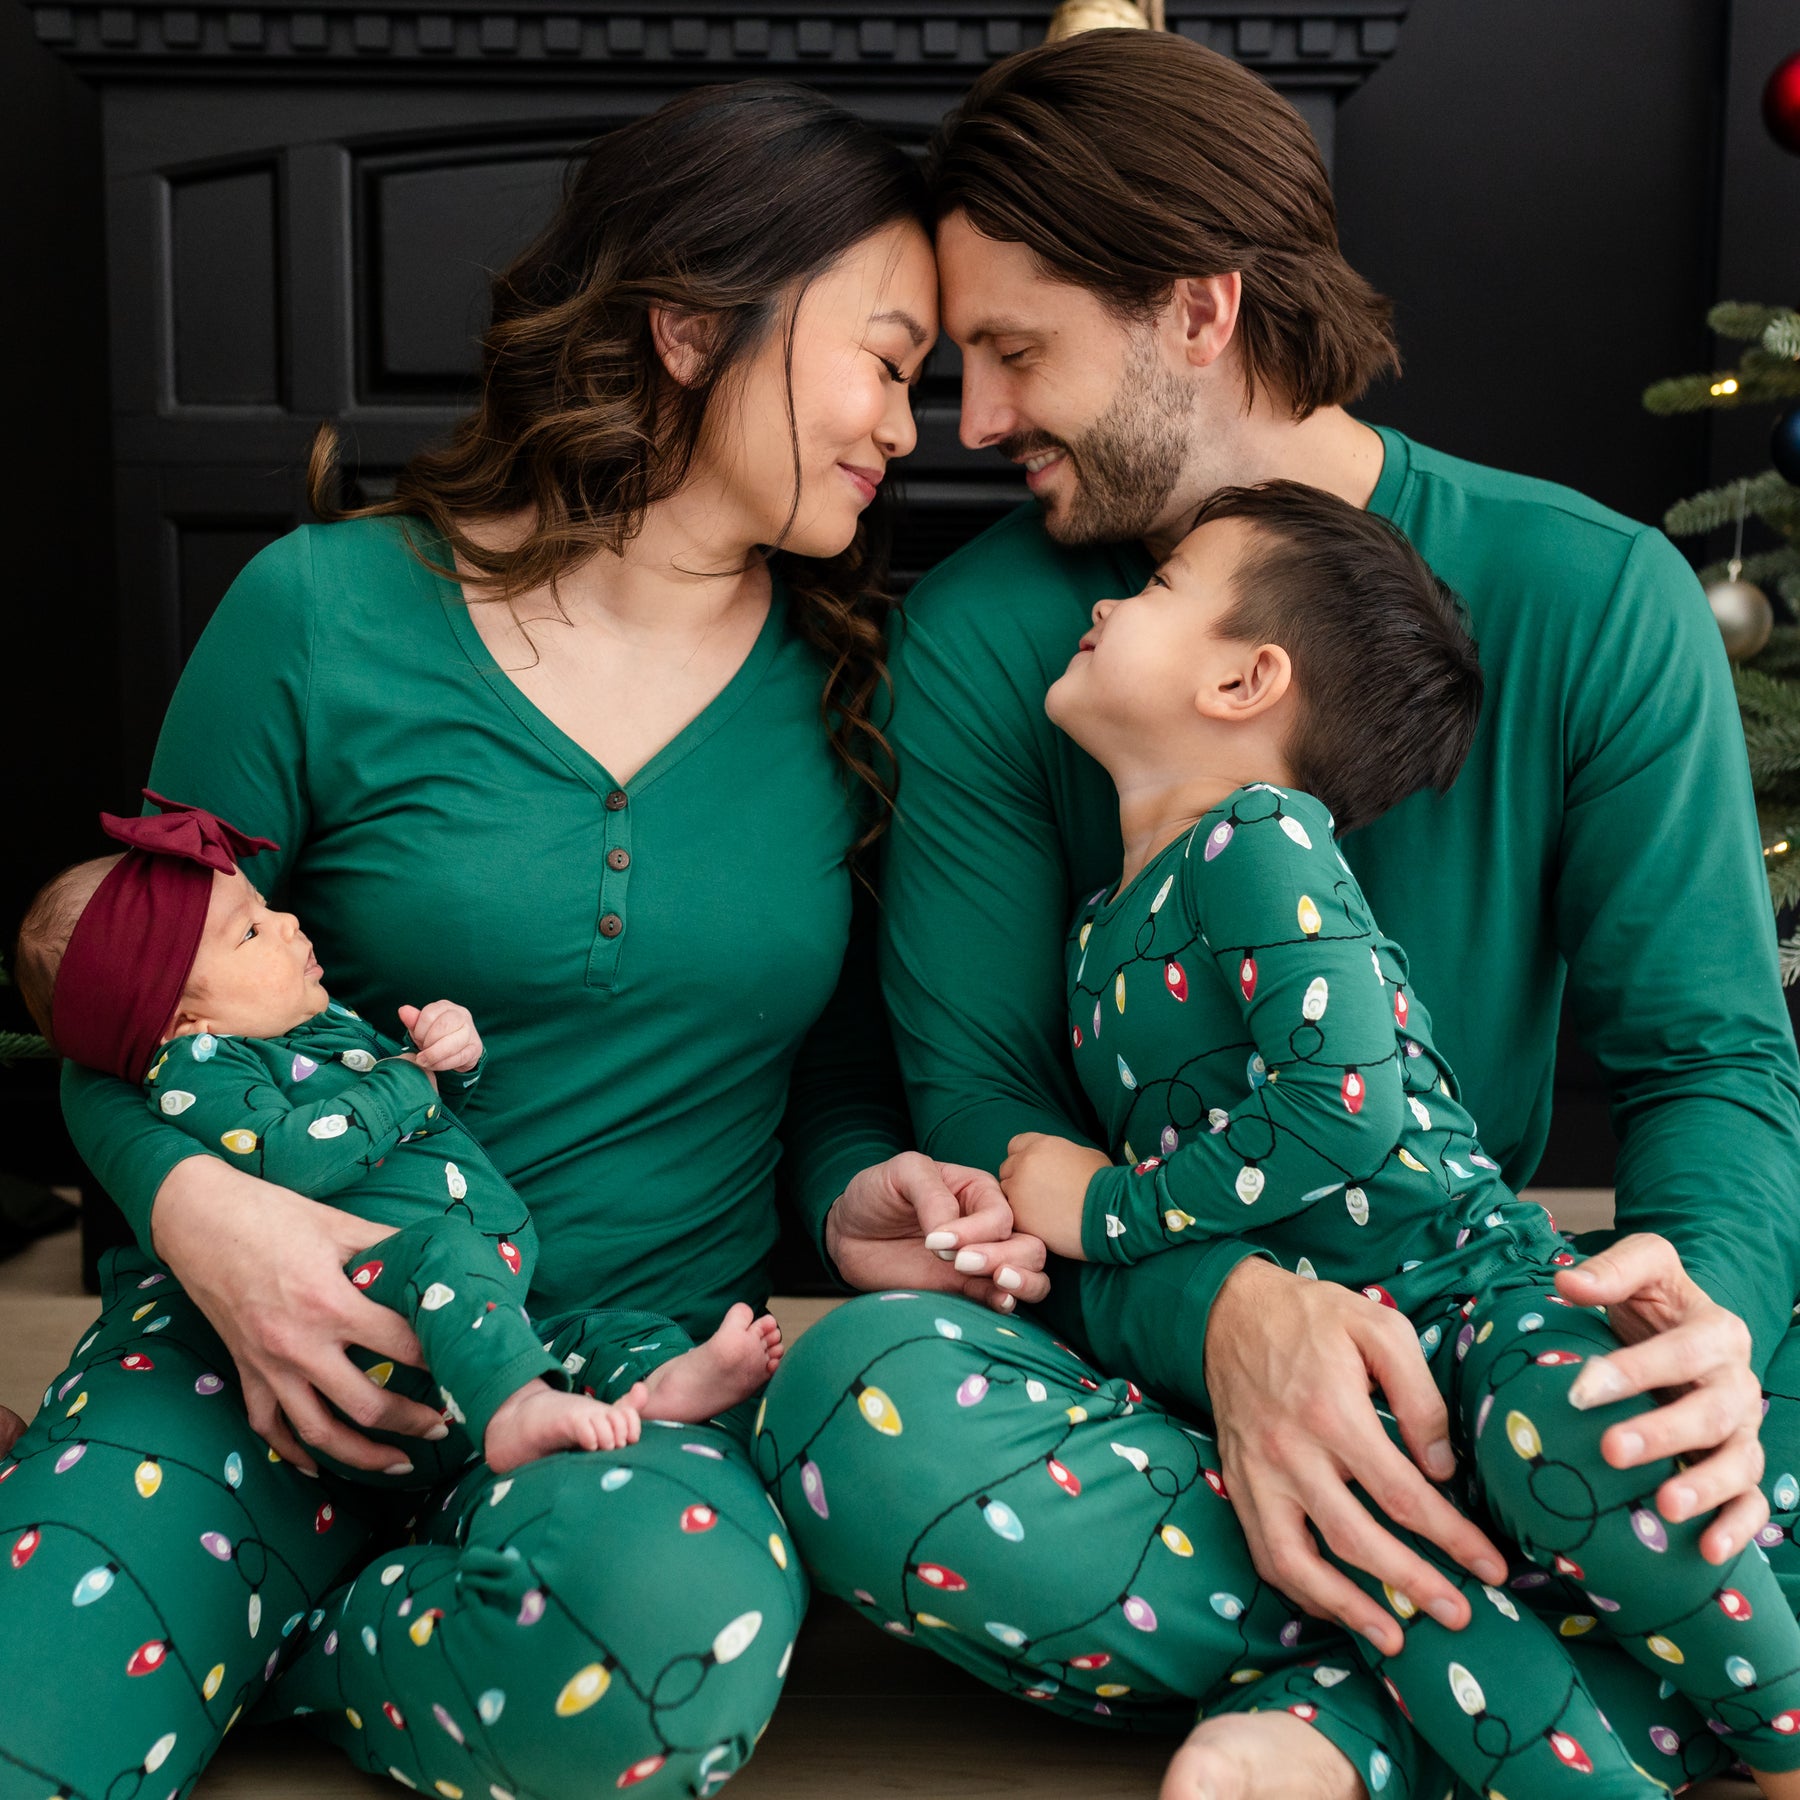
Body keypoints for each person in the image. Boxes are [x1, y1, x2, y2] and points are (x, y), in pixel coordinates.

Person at [757, 31, 1800, 1800]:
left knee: (1715, 1365)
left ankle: (1368, 1700)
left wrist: (1694, 1333)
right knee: (861, 1412)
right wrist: (1228, 1319)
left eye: (1015, 351)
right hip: (1148, 1398)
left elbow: (1710, 1057)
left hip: (1497, 1333)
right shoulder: (997, 645)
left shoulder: (1595, 594)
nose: (974, 422)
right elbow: (984, 1109)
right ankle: (1584, 1637)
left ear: (1197, 309)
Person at [0, 81, 1022, 1800]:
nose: (910, 429)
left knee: (661, 1660)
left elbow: (838, 1075)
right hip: (265, 1339)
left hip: (626, 1380)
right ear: (691, 328)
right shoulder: (319, 613)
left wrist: (862, 1193)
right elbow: (119, 1006)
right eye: (885, 361)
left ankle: (299, 1646)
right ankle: (225, 1590)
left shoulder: (856, 693)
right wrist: (200, 1220)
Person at [1000, 479, 1800, 1798]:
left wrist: (1109, 1212)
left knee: (1586, 1437)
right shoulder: (1100, 932)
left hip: (1469, 1291)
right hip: (1352, 1371)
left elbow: (1344, 1106)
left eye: (1153, 590)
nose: (1104, 604)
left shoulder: (1256, 839)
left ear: (1247, 680)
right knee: (1415, 1605)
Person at [16, 794, 786, 1482]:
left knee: (605, 1331)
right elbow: (290, 1156)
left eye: (265, 906)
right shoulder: (200, 1066)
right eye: (250, 931)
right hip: (374, 1303)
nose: (286, 922)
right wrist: (406, 1081)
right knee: (444, 1254)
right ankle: (515, 1409)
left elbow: (404, 1115)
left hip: (471, 1305)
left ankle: (659, 1384)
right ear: (184, 1018)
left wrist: (448, 1057)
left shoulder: (306, 1025)